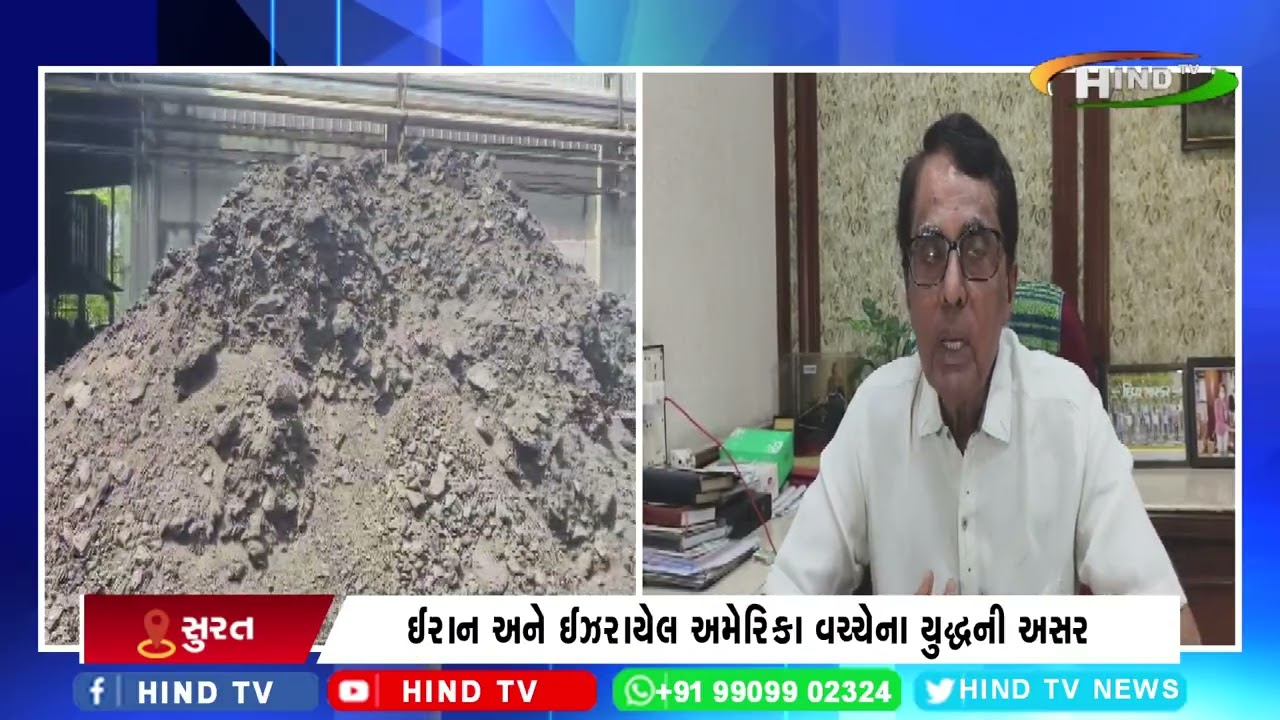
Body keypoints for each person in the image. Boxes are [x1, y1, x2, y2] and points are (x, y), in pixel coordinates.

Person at [764, 113, 1199, 644]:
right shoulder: (873, 415)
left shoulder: (1071, 415)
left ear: (1011, 285)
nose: (951, 291)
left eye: (976, 252)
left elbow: (1178, 642)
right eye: (929, 254)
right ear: (907, 286)